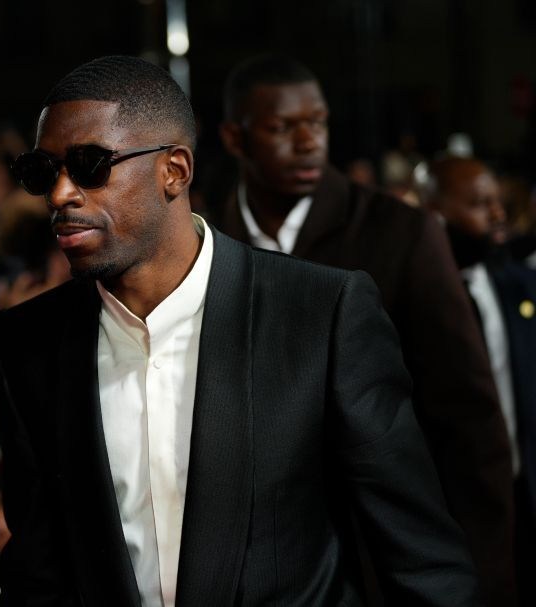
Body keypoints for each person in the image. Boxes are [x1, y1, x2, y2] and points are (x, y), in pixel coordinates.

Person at [0, 55, 478, 606]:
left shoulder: (321, 314)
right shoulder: (25, 344)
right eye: (42, 172)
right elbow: (36, 574)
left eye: (89, 165)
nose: (60, 194)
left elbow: (420, 560)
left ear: (175, 170)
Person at [218, 54, 514, 606]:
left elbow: (468, 419)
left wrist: (484, 579)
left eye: (318, 122)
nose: (309, 141)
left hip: (377, 558)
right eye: (283, 127)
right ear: (235, 138)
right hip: (247, 561)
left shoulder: (400, 233)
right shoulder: (206, 236)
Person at [427, 156, 536, 606]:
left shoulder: (520, 284)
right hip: (455, 499)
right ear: (436, 212)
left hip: (523, 484)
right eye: (478, 203)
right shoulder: (421, 295)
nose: (496, 214)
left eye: (497, 202)